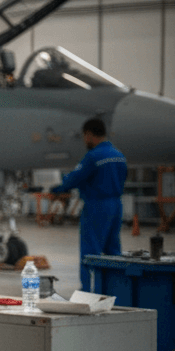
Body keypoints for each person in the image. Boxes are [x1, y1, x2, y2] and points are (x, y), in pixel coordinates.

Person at [50, 118, 127, 288]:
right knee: (113, 251)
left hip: (96, 207)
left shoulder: (93, 157)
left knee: (90, 253)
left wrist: (55, 189)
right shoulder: (119, 156)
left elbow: (74, 179)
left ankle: (89, 291)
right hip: (116, 206)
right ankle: (115, 290)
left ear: (89, 135)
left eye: (85, 136)